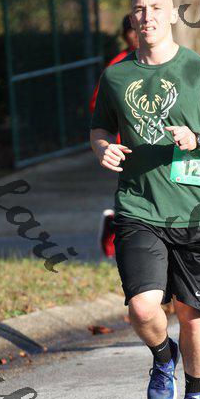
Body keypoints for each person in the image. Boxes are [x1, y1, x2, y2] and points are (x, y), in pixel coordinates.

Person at [90, 0, 200, 399]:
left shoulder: (199, 71)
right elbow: (100, 128)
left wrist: (198, 139)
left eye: (156, 7)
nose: (148, 16)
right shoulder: (116, 75)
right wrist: (102, 148)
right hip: (138, 207)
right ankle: (163, 356)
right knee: (142, 307)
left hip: (196, 211)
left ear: (173, 14)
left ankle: (196, 395)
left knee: (192, 313)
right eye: (140, 9)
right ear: (132, 17)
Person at [90, 15, 139, 258]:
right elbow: (97, 107)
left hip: (156, 140)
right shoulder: (117, 67)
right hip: (126, 143)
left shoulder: (163, 60)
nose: (137, 34)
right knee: (137, 195)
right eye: (132, 30)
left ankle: (114, 222)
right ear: (125, 35)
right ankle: (115, 226)